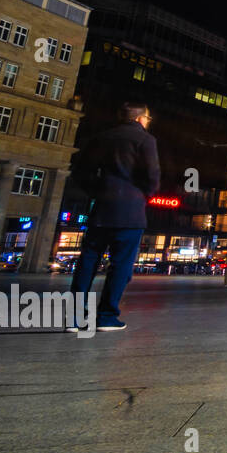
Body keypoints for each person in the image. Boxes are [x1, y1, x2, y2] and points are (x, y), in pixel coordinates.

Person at [69, 101, 160, 332]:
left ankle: (74, 319)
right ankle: (107, 317)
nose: (147, 122)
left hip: (101, 209)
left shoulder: (101, 137)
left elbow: (80, 172)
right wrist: (143, 194)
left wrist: (98, 191)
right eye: (147, 119)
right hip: (130, 211)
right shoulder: (145, 140)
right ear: (141, 119)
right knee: (120, 265)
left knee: (87, 263)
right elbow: (152, 174)